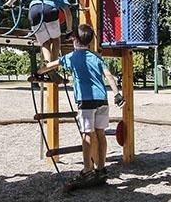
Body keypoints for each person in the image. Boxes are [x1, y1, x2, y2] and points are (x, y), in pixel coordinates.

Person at [38, 23, 123, 189]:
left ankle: (87, 170)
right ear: (90, 42)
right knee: (100, 133)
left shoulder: (71, 57)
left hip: (86, 101)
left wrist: (37, 73)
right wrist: (117, 94)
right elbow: (109, 76)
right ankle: (101, 168)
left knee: (87, 134)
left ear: (75, 40)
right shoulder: (97, 57)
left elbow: (50, 65)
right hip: (102, 100)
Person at [4, 0, 73, 80]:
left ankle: (47, 62)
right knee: (56, 40)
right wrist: (69, 30)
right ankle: (52, 67)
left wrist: (9, 3)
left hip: (33, 12)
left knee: (45, 42)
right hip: (50, 10)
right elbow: (67, 11)